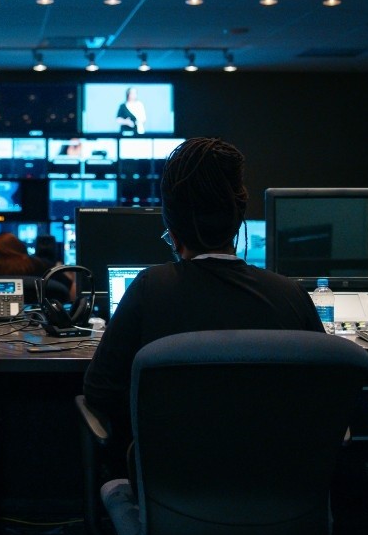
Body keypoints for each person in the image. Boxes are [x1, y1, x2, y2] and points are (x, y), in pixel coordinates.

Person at [82, 137, 322, 433]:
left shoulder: (149, 289)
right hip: (274, 462)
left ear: (172, 229)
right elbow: (324, 392)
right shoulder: (291, 295)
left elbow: (100, 391)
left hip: (170, 462)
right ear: (238, 219)